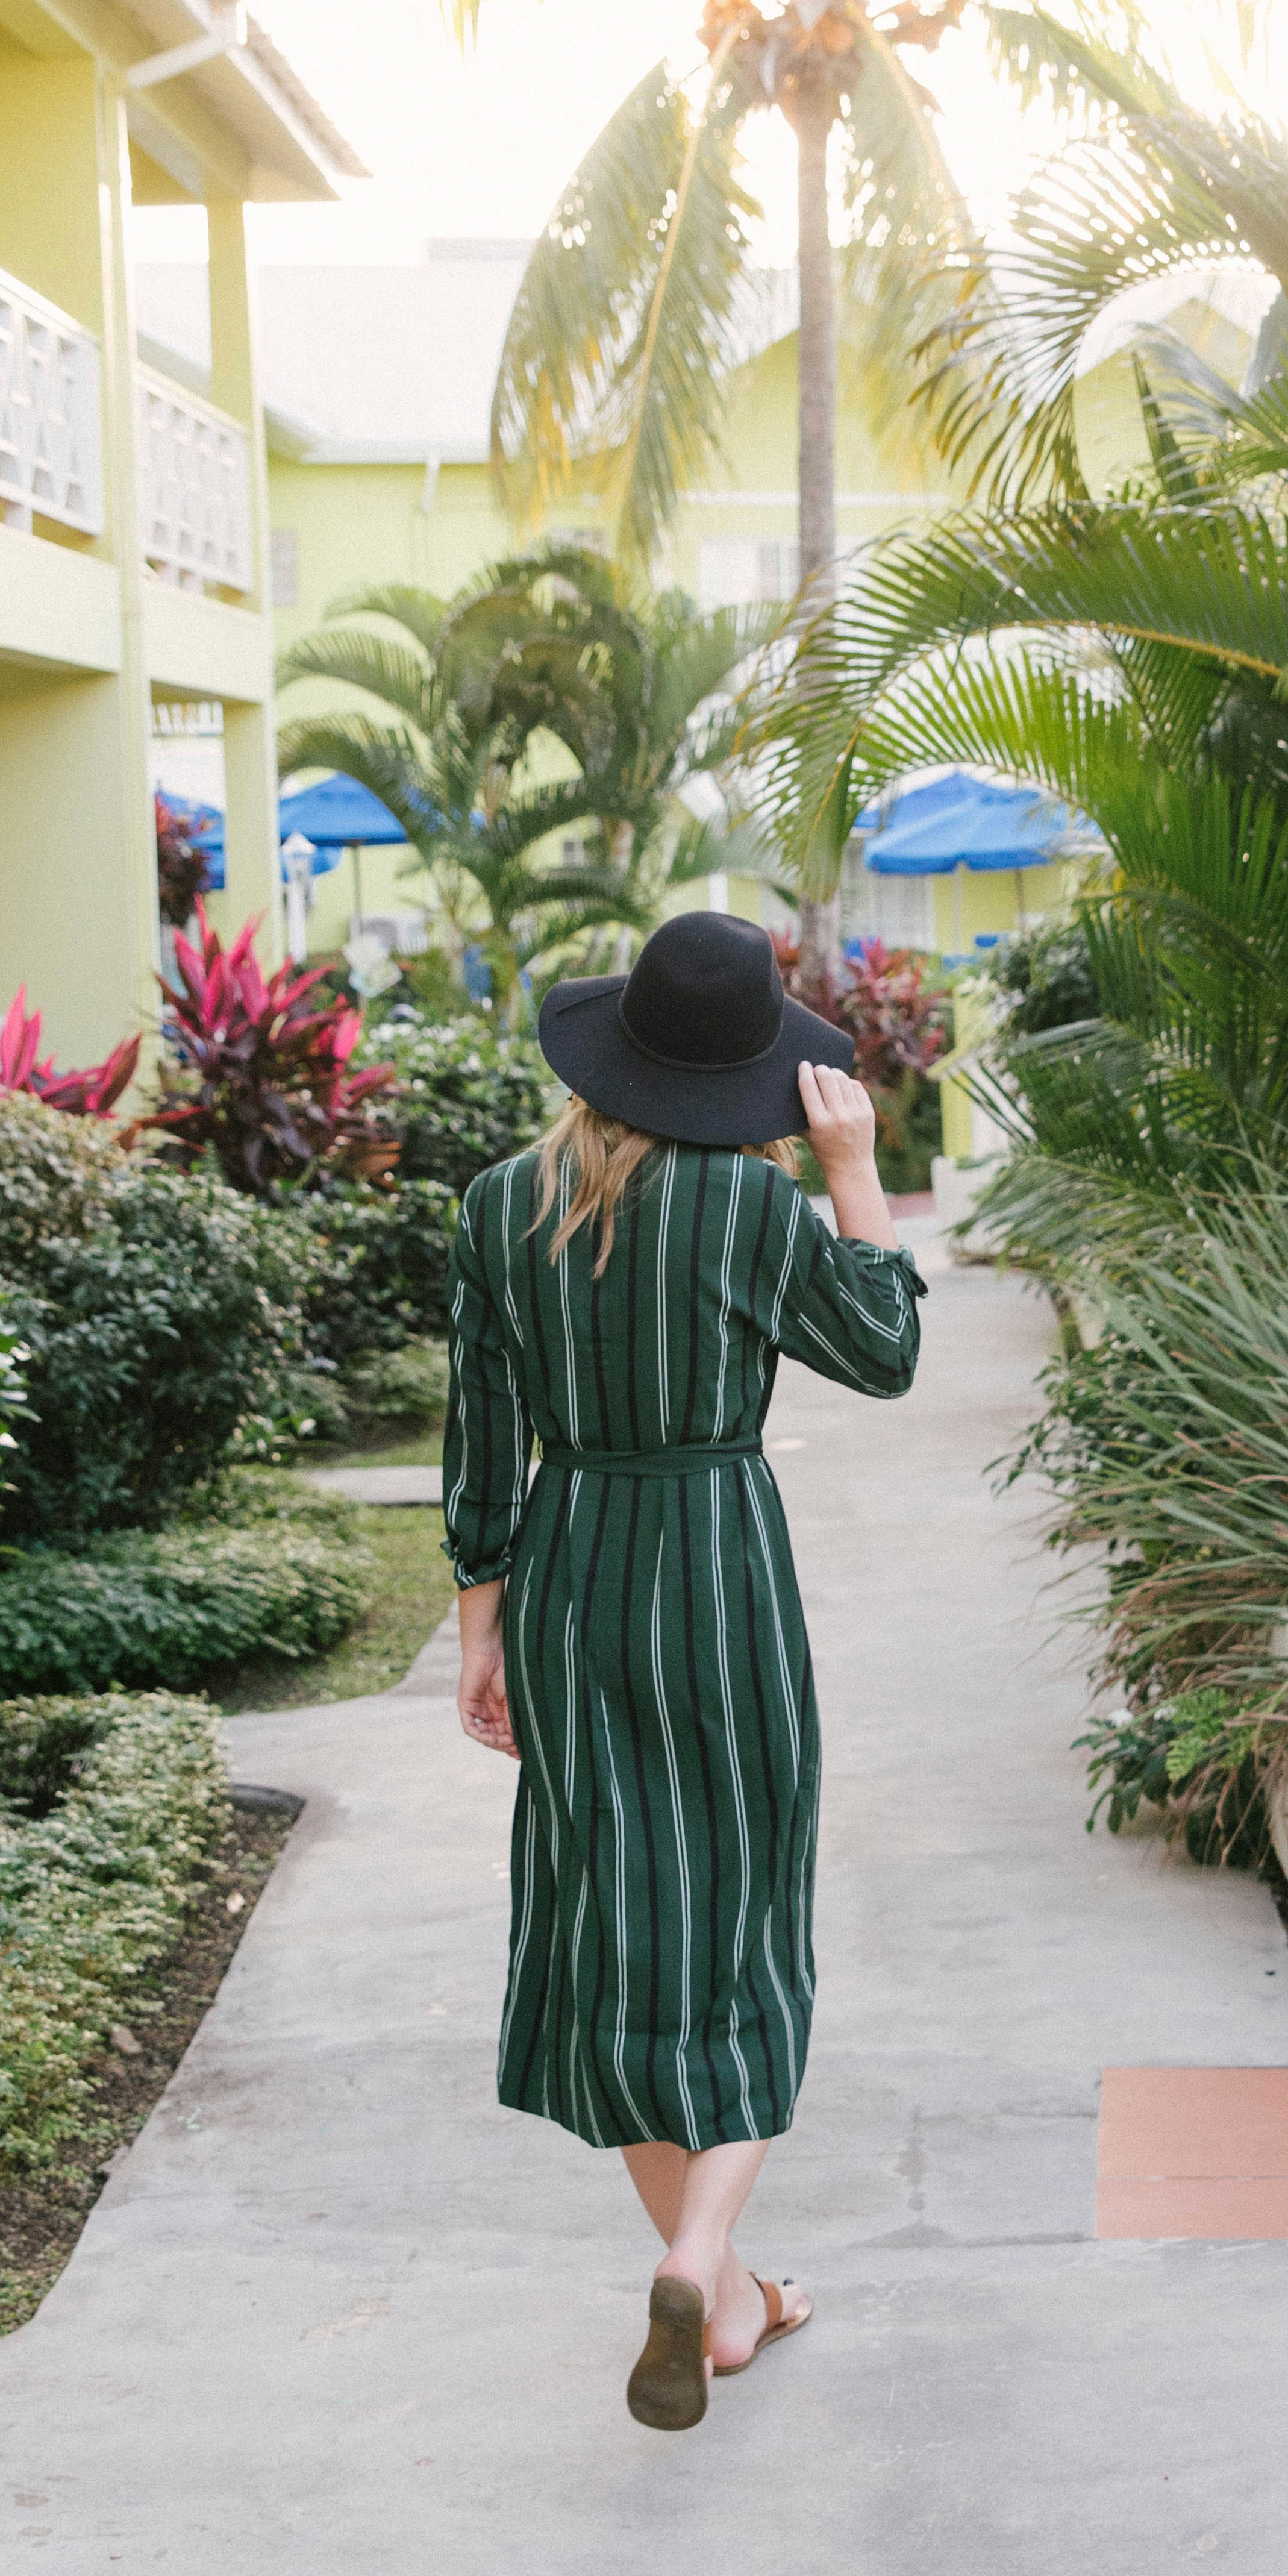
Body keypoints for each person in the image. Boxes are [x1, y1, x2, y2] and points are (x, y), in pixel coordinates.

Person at [442, 910, 925, 2431]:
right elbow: (885, 1353)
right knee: (742, 1928)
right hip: (717, 1573)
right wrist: (852, 1174)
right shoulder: (750, 1211)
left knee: (621, 1929)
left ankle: (718, 2309)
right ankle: (709, 2253)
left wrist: (482, 1628)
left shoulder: (496, 1205)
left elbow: (476, 1442)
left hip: (573, 1573)